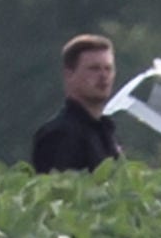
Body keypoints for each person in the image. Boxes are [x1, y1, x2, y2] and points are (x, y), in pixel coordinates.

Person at [31, 33, 122, 173]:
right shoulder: (58, 134)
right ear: (69, 75)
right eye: (94, 69)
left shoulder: (105, 133)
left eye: (108, 68)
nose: (103, 76)